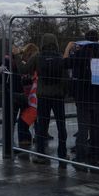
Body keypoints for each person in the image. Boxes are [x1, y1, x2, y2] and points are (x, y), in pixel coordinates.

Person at [65, 30, 99, 165]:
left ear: (85, 40)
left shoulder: (80, 53)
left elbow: (66, 64)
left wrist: (68, 49)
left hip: (83, 96)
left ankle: (81, 156)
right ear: (97, 39)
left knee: (83, 128)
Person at [18, 33, 69, 165]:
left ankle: (41, 154)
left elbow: (24, 69)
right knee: (61, 124)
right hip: (58, 95)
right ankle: (62, 153)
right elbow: (66, 78)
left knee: (42, 126)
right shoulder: (60, 57)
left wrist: (16, 56)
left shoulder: (38, 57)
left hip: (43, 95)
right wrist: (64, 92)